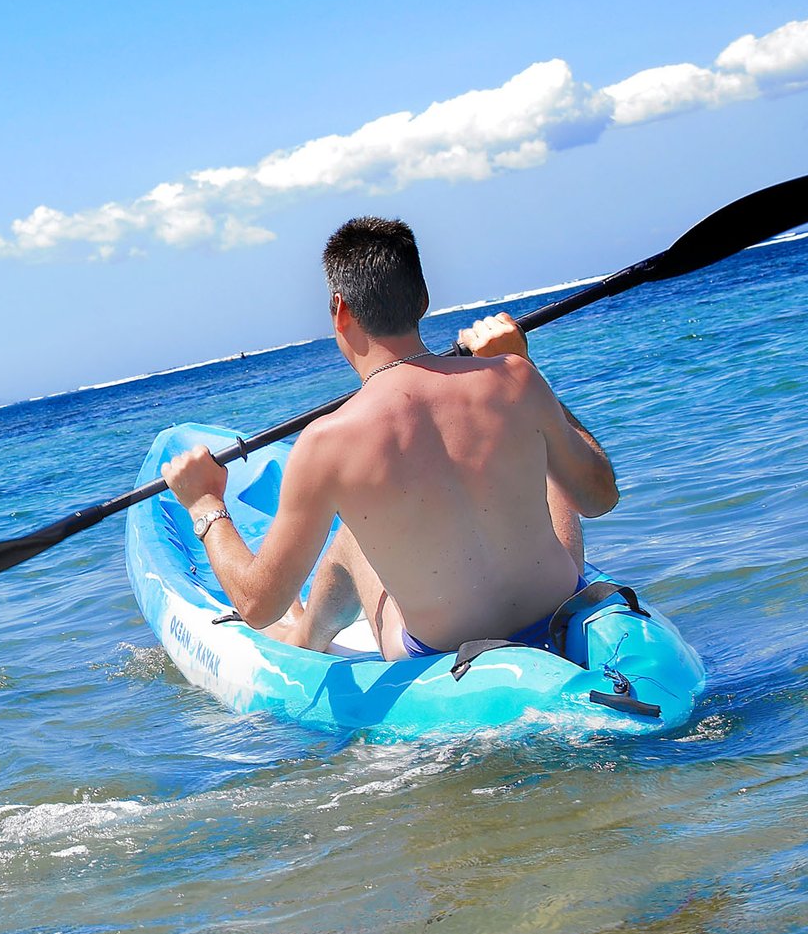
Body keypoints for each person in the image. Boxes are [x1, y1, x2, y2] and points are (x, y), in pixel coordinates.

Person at [165, 217, 619, 661]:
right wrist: (523, 365)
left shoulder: (327, 443)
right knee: (542, 463)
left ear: (340, 311)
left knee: (353, 537)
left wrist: (204, 503)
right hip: (560, 611)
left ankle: (304, 637)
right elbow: (598, 499)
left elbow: (259, 606)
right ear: (422, 299)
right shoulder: (516, 379)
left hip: (440, 652)